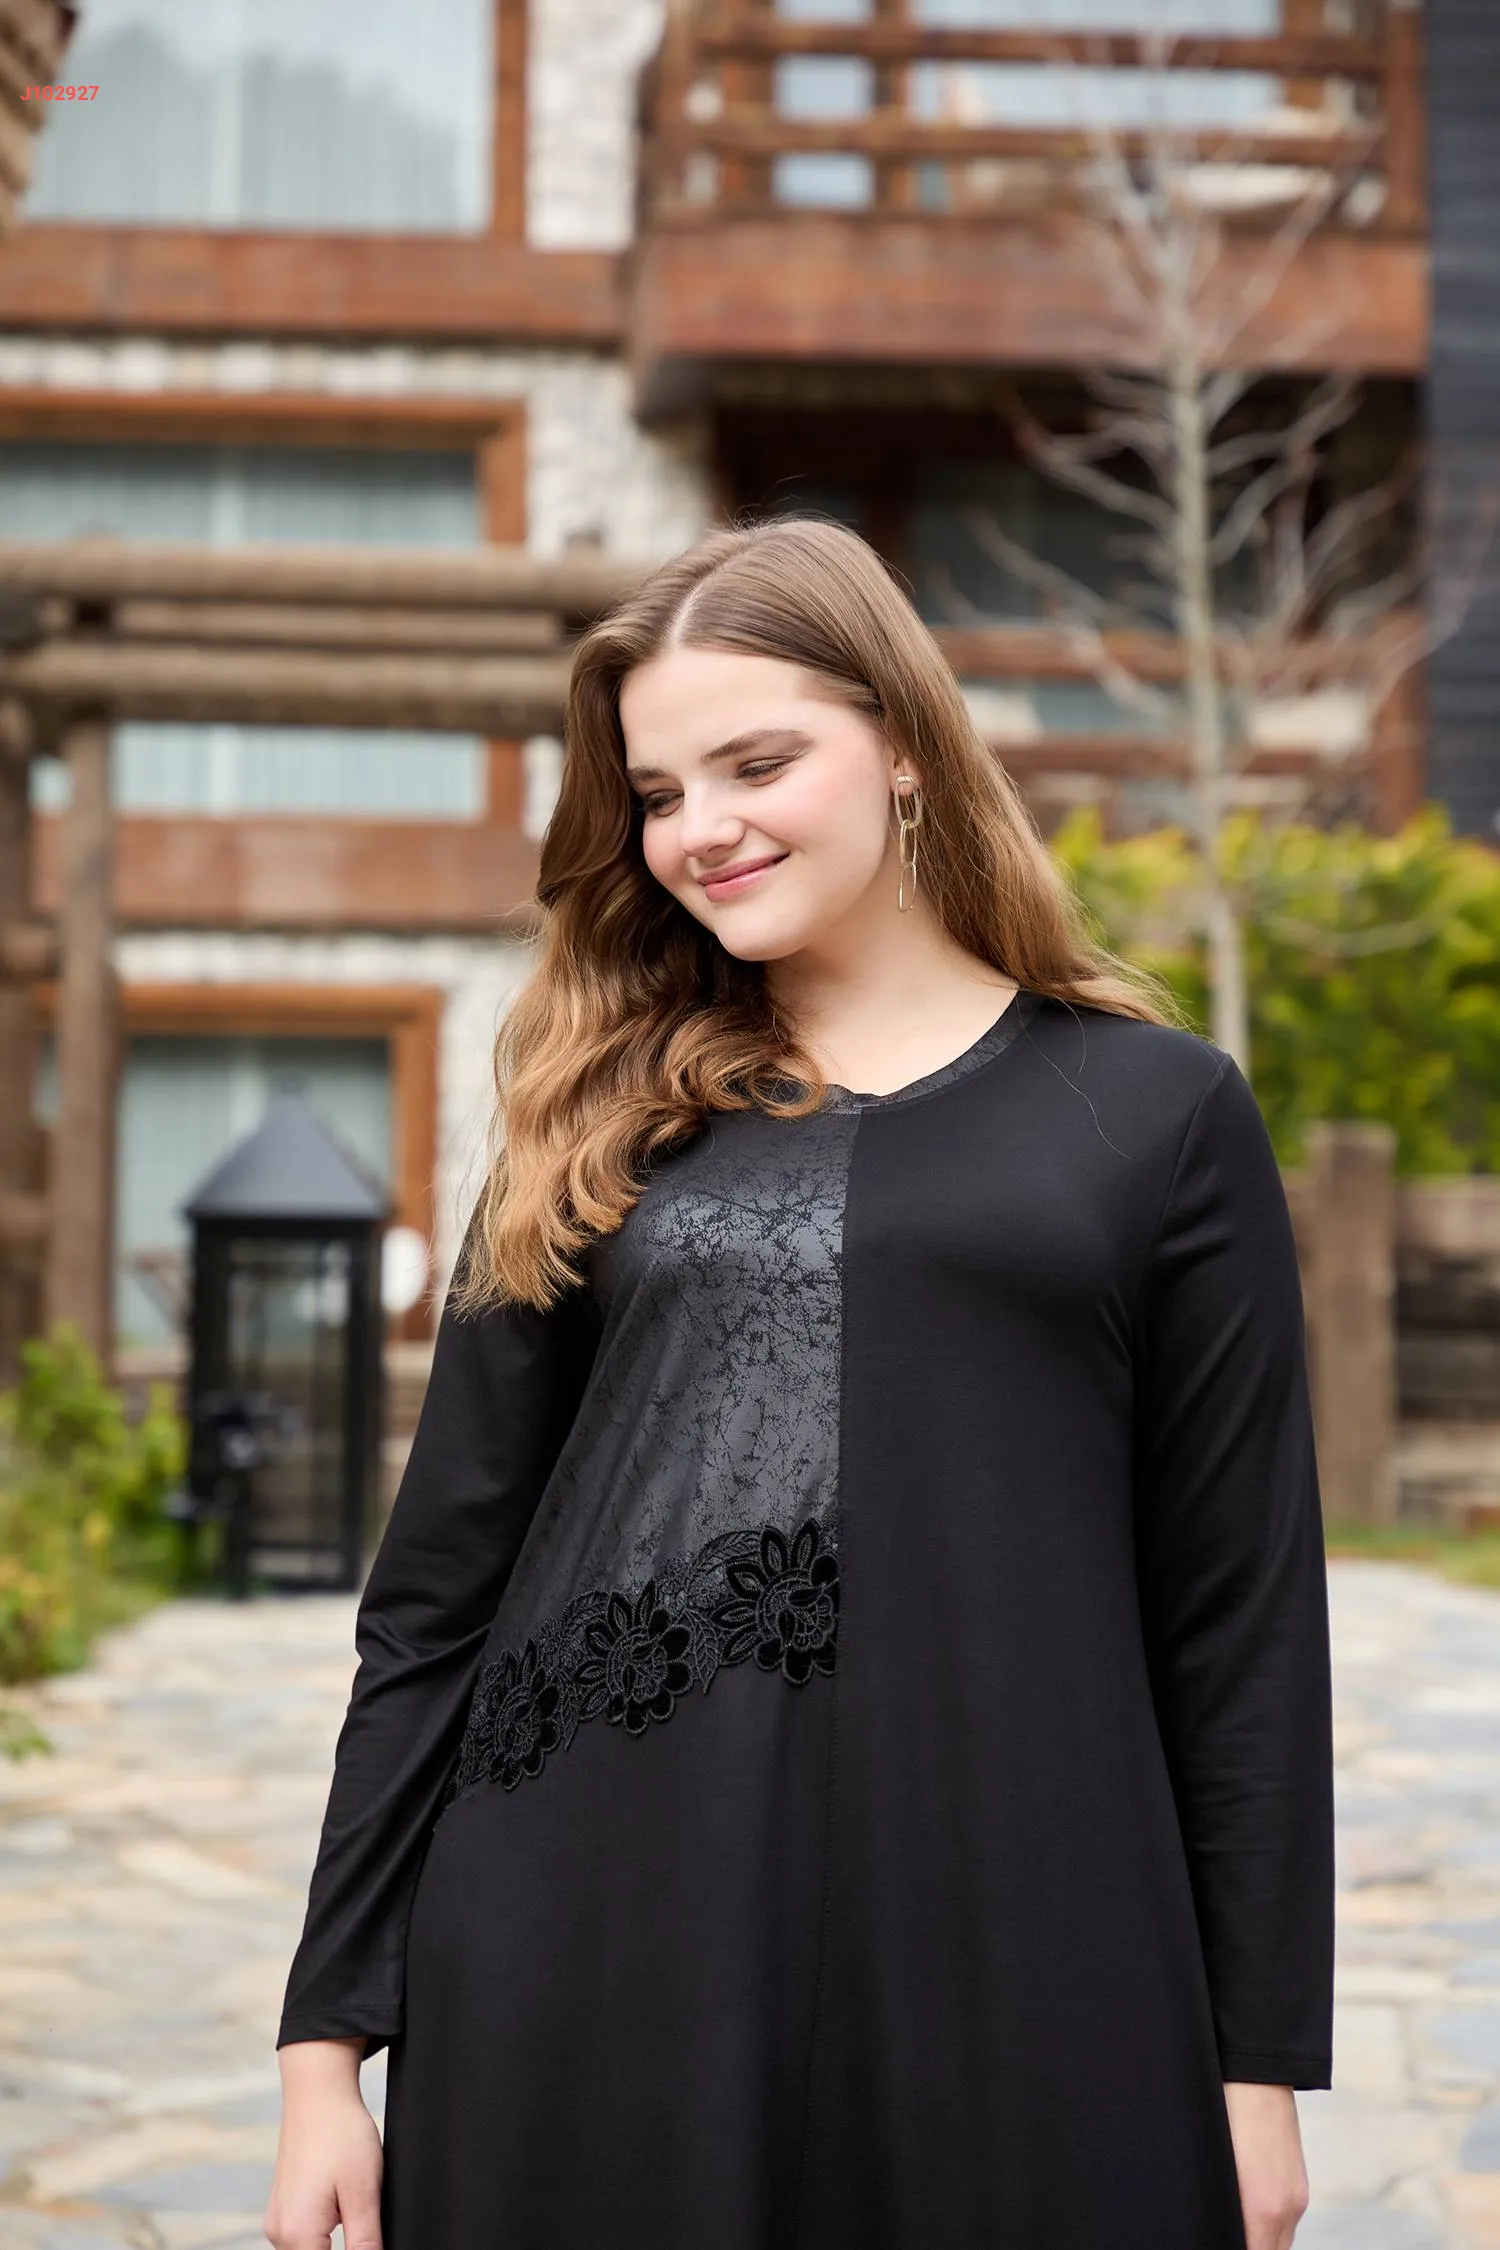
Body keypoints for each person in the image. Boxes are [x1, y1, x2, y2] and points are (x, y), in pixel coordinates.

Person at [265, 518, 1333, 2250]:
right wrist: (326, 2047)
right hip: (589, 1937)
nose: (702, 828)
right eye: (659, 793)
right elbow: (436, 1596)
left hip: (1022, 1943)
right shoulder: (595, 1115)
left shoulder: (1157, 1113)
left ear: (903, 744)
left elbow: (1240, 1614)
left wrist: (1258, 2060)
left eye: (757, 765)